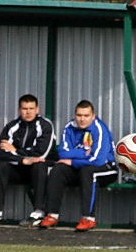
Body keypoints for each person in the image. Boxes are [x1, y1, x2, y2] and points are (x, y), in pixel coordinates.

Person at [35, 99, 117, 231]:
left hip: (107, 169)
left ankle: (88, 218)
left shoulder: (99, 129)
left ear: (93, 116)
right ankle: (52, 215)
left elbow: (98, 160)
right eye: (79, 115)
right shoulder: (70, 127)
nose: (82, 119)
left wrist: (73, 160)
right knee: (58, 169)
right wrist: (84, 152)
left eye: (86, 116)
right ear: (75, 115)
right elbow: (62, 153)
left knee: (88, 171)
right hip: (82, 166)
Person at [0, 94, 56, 226]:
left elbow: (41, 153)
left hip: (39, 170)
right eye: (24, 108)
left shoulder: (45, 125)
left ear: (37, 109)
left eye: (31, 108)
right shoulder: (12, 126)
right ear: (19, 110)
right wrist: (22, 160)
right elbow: (0, 152)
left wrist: (16, 151)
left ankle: (39, 212)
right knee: (0, 166)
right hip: (19, 167)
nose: (28, 112)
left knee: (39, 165)